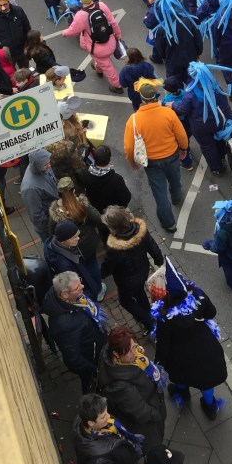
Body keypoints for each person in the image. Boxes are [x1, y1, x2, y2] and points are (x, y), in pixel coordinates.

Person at [149, 261, 227, 419]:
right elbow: (211, 312)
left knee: (181, 375)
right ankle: (210, 407)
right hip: (206, 349)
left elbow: (164, 346)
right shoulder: (197, 294)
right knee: (206, 380)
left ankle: (182, 392)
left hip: (181, 357)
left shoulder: (164, 317)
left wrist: (158, 363)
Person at [123, 81, 188, 233]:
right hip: (172, 155)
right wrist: (184, 149)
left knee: (160, 194)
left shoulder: (133, 120)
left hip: (152, 163)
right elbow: (181, 135)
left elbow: (128, 147)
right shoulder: (168, 113)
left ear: (142, 99)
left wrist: (132, 162)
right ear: (155, 97)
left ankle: (169, 223)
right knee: (175, 179)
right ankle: (177, 198)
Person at [96, 326, 167, 453]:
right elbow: (142, 413)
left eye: (134, 346)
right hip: (147, 424)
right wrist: (158, 415)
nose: (135, 353)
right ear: (116, 354)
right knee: (153, 446)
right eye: (128, 351)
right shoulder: (120, 387)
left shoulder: (118, 353)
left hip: (153, 403)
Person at [43, 271, 108, 391]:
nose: (82, 287)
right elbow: (73, 359)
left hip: (96, 340)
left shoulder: (74, 298)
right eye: (77, 288)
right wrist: (93, 368)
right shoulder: (63, 325)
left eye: (80, 282)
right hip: (91, 356)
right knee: (90, 382)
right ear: (64, 295)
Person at [101, 206, 164, 330]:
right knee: (140, 292)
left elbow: (108, 267)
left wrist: (100, 274)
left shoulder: (115, 248)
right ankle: (148, 312)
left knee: (125, 301)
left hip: (127, 281)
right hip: (142, 271)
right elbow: (153, 247)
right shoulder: (141, 231)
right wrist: (159, 260)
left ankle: (149, 321)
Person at [73, 393, 145, 464]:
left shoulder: (85, 423)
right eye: (103, 417)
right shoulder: (99, 462)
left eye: (107, 412)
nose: (108, 417)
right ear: (91, 423)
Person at [62, 0, 123, 93]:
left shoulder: (81, 15)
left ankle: (117, 86)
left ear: (80, 0)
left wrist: (64, 33)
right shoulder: (102, 5)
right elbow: (112, 23)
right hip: (110, 41)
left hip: (97, 48)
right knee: (101, 62)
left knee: (108, 67)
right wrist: (118, 35)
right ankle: (98, 67)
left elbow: (72, 31)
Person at [44, 218, 104, 302]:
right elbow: (75, 289)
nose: (78, 238)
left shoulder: (55, 243)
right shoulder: (64, 266)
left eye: (77, 234)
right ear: (64, 240)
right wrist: (89, 297)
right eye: (74, 237)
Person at [78, 144, 133, 212]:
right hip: (113, 213)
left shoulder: (85, 174)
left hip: (97, 209)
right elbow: (126, 198)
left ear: (94, 159)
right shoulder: (117, 179)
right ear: (109, 159)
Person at [20, 148, 59, 241]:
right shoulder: (30, 188)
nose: (49, 166)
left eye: (49, 162)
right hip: (49, 228)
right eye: (46, 164)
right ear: (37, 165)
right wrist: (50, 231)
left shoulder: (41, 167)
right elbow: (36, 215)